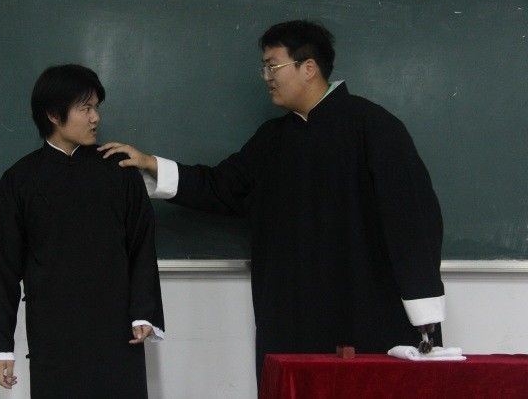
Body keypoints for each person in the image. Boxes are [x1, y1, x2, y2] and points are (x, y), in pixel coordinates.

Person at [100, 20, 445, 381]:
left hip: (366, 310)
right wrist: (149, 164)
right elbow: (222, 187)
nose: (266, 77)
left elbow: (414, 220)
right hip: (291, 315)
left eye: (272, 66)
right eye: (264, 67)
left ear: (308, 68)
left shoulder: (374, 127)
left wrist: (424, 314)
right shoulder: (273, 139)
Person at [0, 64, 164, 398]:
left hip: (117, 331)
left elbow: (142, 247)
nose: (96, 118)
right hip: (53, 335)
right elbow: (0, 266)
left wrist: (143, 312)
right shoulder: (20, 180)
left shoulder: (120, 172)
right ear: (53, 114)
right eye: (85, 108)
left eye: (97, 108)